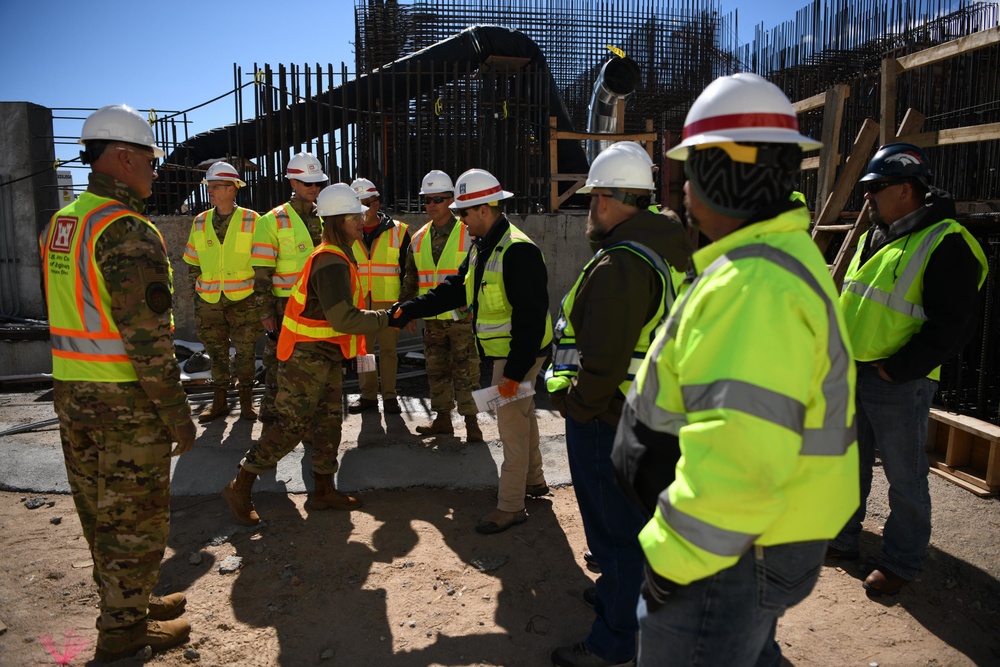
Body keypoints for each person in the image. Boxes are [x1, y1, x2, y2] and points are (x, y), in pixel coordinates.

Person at [611, 73, 860, 665]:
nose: (684, 192)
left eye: (692, 173)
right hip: (745, 543)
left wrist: (673, 564)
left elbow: (741, 463)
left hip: (723, 555)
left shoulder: (755, 286)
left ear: (722, 176)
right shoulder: (762, 266)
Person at [39, 104, 195, 661]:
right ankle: (124, 631)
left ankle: (131, 599)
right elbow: (147, 341)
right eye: (150, 160)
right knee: (134, 517)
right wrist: (179, 416)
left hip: (71, 393)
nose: (155, 170)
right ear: (124, 157)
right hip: (124, 400)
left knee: (99, 508)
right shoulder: (126, 229)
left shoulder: (64, 223)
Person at [545, 142, 692, 667]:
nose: (588, 211)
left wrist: (578, 408)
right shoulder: (669, 250)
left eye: (591, 200)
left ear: (607, 200)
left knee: (617, 536)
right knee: (639, 530)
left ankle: (614, 644)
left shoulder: (621, 265)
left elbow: (603, 362)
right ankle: (621, 598)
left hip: (612, 420)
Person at [829, 143, 988, 595]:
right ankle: (843, 539)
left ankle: (902, 560)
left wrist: (897, 370)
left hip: (898, 382)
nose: (867, 198)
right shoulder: (871, 237)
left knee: (905, 477)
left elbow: (953, 326)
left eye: (875, 188)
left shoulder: (947, 241)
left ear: (905, 189)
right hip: (854, 375)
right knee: (846, 465)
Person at [390, 168, 553, 534]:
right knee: (522, 418)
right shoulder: (484, 246)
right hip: (510, 353)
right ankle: (535, 481)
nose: (460, 220)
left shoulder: (517, 251)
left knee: (509, 426)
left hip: (517, 354)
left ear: (484, 209)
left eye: (464, 212)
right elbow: (453, 289)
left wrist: (512, 373)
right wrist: (409, 309)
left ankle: (511, 506)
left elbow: (529, 318)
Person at [223, 183, 390, 525]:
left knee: (329, 422)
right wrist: (389, 317)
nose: (362, 220)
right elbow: (343, 317)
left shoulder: (337, 254)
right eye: (355, 216)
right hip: (305, 359)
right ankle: (240, 483)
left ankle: (323, 491)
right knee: (292, 426)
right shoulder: (330, 260)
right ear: (338, 220)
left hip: (324, 355)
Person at [399, 170, 483, 443]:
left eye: (438, 199)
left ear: (451, 201)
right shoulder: (418, 238)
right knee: (436, 370)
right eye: (427, 200)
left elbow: (480, 275)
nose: (432, 204)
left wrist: (476, 307)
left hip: (462, 317)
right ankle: (443, 420)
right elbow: (411, 278)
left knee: (466, 371)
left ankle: (472, 423)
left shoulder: (469, 233)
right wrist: (407, 309)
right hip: (432, 319)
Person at [251, 152, 328, 424]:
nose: (314, 188)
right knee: (278, 359)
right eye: (308, 183)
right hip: (284, 305)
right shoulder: (271, 220)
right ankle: (271, 413)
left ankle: (308, 412)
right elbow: (261, 273)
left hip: (319, 303)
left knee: (315, 358)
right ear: (293, 183)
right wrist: (265, 312)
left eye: (317, 183)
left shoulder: (326, 216)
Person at [182, 161, 261, 422]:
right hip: (208, 301)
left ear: (232, 189)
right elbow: (192, 260)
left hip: (244, 300)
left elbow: (262, 260)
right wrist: (198, 290)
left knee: (246, 353)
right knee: (216, 355)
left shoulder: (252, 220)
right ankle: (219, 403)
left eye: (215, 186)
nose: (210, 191)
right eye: (210, 187)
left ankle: (247, 403)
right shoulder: (200, 221)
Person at [348, 177, 411, 415]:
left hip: (389, 301)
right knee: (364, 352)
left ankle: (390, 396)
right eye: (358, 204)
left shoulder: (399, 231)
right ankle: (368, 395)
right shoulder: (347, 231)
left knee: (388, 352)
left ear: (377, 203)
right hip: (360, 302)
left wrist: (407, 304)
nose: (363, 209)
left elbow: (408, 271)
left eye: (367, 202)